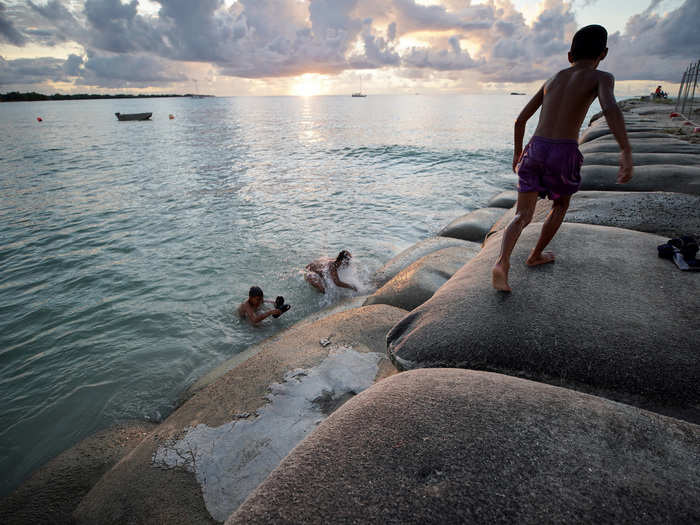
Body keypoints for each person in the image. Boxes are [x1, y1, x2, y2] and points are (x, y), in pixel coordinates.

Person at [492, 24, 633, 292]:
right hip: (564, 151)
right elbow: (610, 107)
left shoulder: (552, 79)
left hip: (535, 149)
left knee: (521, 214)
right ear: (603, 53)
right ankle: (535, 256)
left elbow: (520, 120)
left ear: (569, 56)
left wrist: (517, 152)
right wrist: (625, 149)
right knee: (560, 205)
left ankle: (501, 263)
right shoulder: (601, 77)